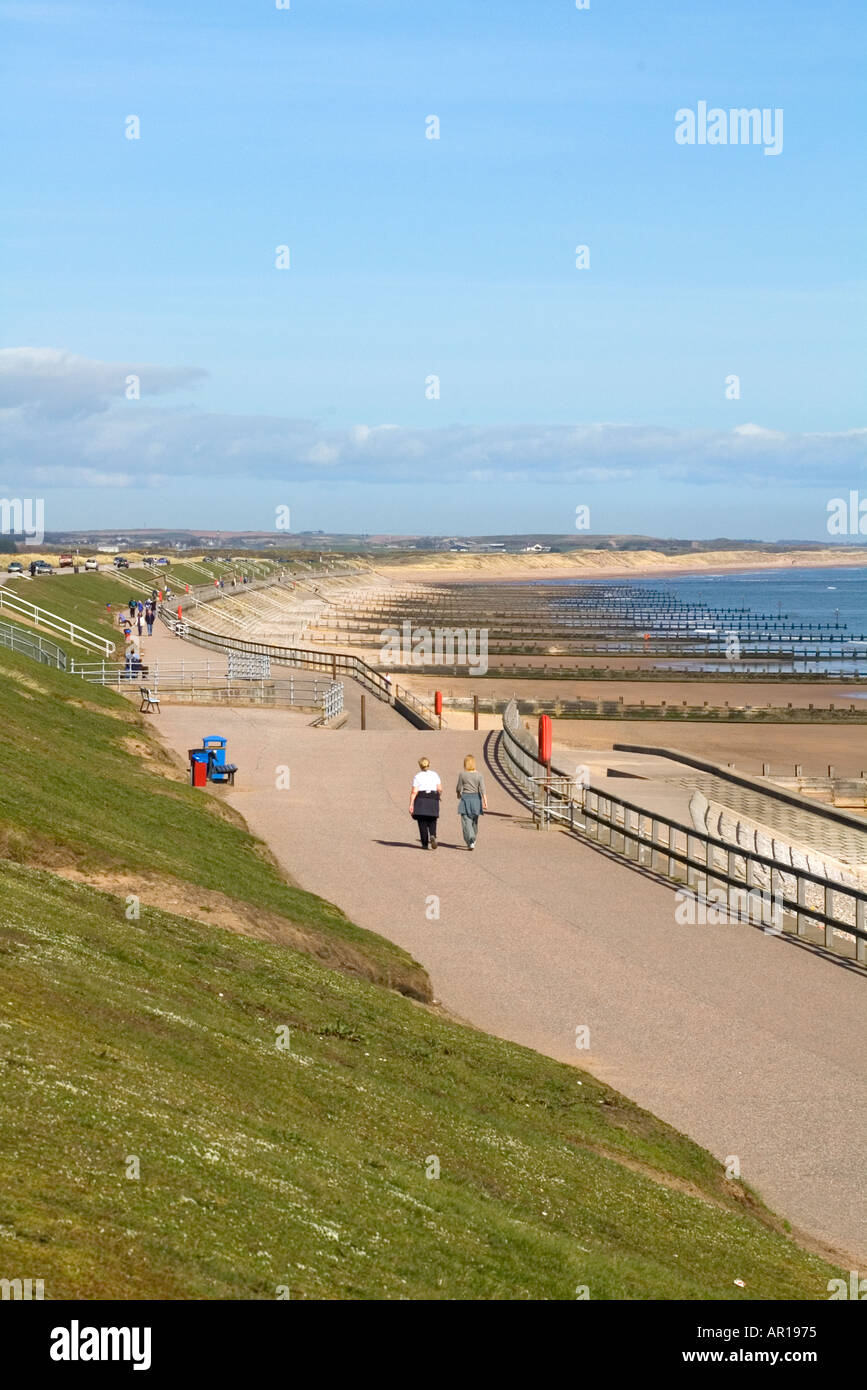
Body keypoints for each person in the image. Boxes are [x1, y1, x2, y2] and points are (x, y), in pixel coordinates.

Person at [409, 757, 442, 850]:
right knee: (432, 819)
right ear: (429, 764)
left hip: (421, 799)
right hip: (433, 798)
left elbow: (414, 792)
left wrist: (411, 804)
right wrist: (438, 795)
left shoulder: (417, 776)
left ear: (420, 765)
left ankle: (424, 843)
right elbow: (439, 789)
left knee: (422, 821)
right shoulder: (435, 775)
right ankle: (433, 835)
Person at [456, 755, 487, 850]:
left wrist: (458, 794)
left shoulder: (462, 774)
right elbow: (483, 789)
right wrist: (485, 801)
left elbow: (459, 787)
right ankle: (473, 838)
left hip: (466, 799)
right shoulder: (479, 775)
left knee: (466, 821)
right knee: (474, 821)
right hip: (476, 799)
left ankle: (471, 839)